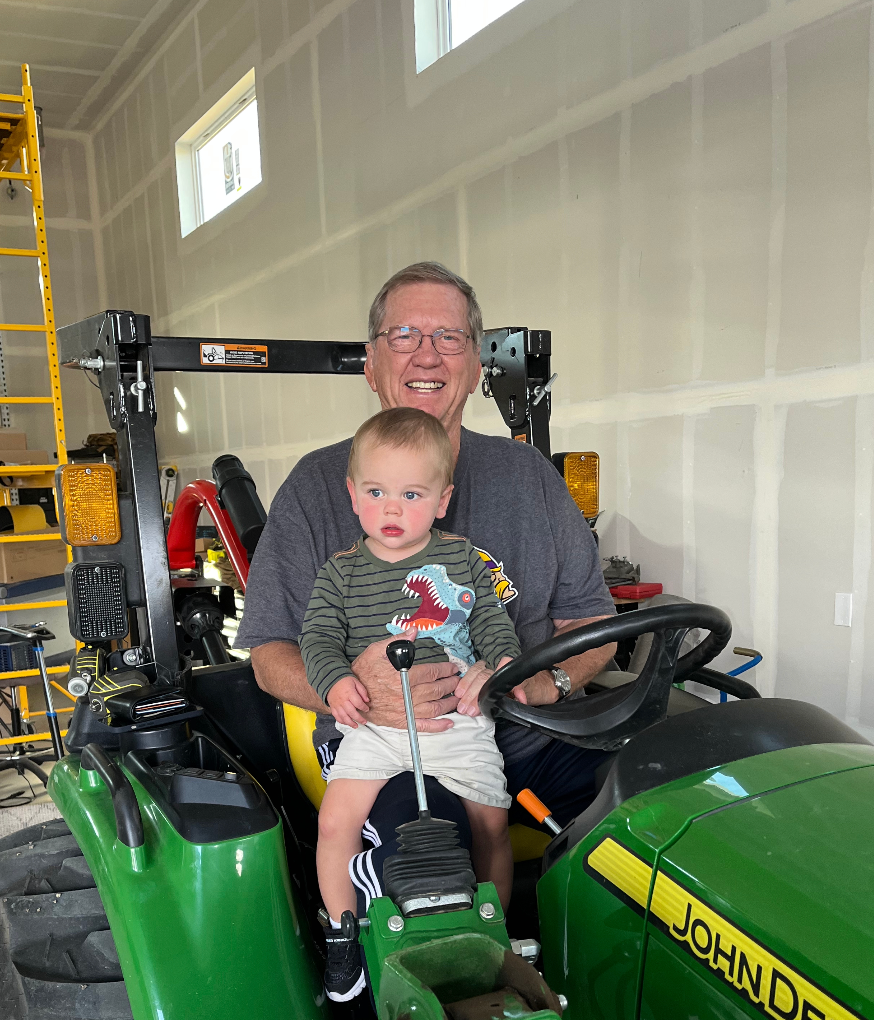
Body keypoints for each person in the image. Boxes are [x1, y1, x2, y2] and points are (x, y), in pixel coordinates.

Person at [237, 261, 616, 906]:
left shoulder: (528, 476)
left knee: (666, 799)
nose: (428, 355)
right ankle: (364, 951)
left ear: (475, 364)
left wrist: (544, 682)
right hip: (384, 744)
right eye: (405, 335)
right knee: (430, 864)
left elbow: (591, 625)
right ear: (371, 364)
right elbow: (270, 656)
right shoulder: (315, 488)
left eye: (450, 338)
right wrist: (355, 692)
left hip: (528, 734)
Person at [302, 408, 525, 926]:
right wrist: (335, 680)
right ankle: (344, 934)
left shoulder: (463, 561)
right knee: (335, 824)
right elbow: (317, 639)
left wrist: (503, 664)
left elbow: (492, 622)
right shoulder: (339, 573)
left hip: (456, 720)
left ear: (442, 500)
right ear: (353, 494)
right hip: (374, 727)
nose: (391, 508)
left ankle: (494, 929)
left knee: (492, 826)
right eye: (376, 492)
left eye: (411, 494)